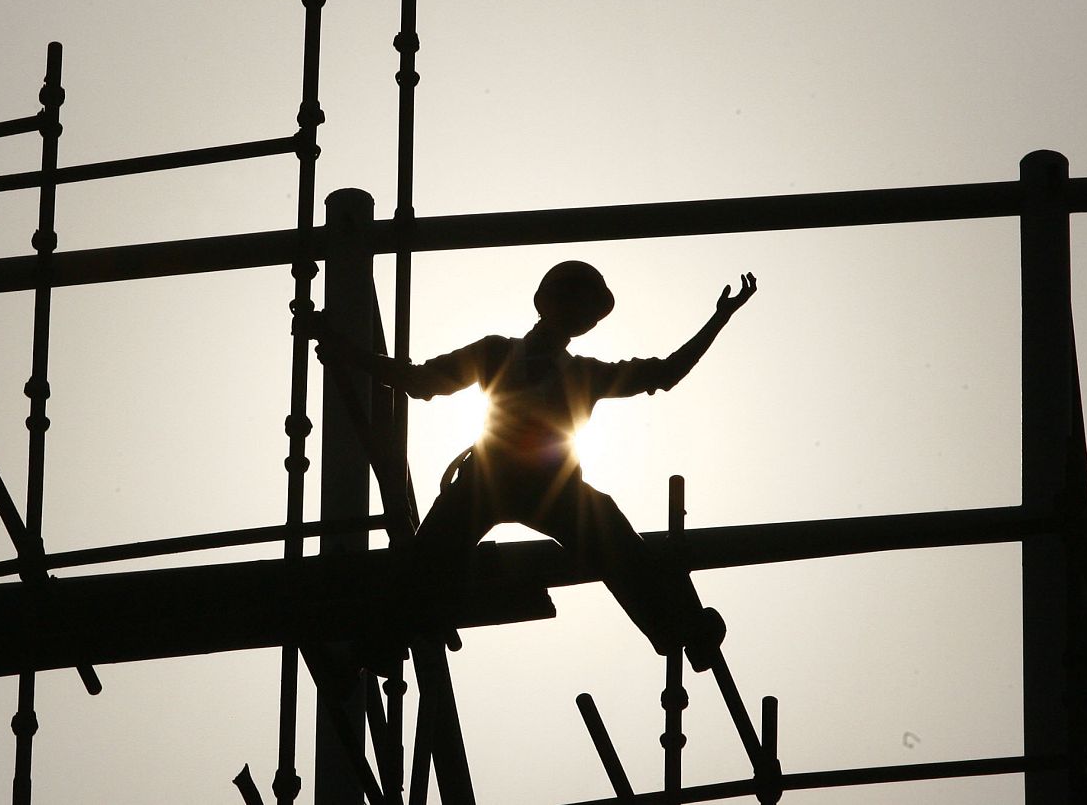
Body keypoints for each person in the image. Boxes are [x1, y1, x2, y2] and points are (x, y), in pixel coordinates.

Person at [311, 260, 757, 671]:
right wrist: (346, 352)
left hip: (552, 489)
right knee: (423, 559)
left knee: (614, 534)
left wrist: (721, 317)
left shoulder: (584, 373)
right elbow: (421, 381)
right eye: (574, 306)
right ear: (549, 304)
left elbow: (665, 373)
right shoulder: (495, 354)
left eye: (585, 314)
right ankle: (383, 642)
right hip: (488, 480)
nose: (577, 319)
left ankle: (681, 630)